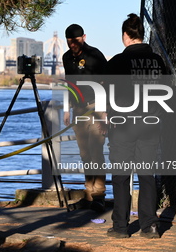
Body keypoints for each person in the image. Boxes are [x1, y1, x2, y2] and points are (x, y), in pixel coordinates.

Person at [105, 13, 167, 238]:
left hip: (123, 126)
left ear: (125, 36)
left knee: (121, 177)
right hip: (150, 125)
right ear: (141, 35)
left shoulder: (118, 62)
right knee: (147, 175)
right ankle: (149, 226)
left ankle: (120, 227)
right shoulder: (158, 62)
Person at [62, 24, 107, 212]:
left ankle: (99, 196)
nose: (73, 44)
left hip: (96, 108)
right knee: (84, 154)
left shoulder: (95, 55)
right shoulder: (66, 57)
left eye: (76, 40)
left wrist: (105, 112)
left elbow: (108, 82)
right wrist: (66, 109)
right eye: (70, 41)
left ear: (84, 37)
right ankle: (88, 194)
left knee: (96, 151)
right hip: (78, 110)